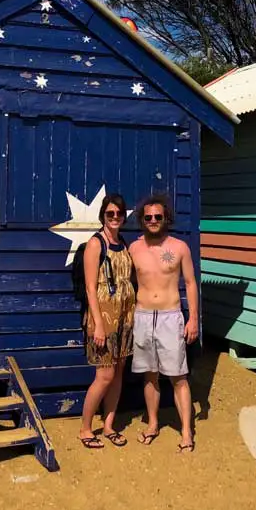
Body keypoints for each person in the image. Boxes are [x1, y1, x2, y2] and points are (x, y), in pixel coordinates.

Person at [128, 193, 199, 452]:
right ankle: (152, 423)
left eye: (158, 216)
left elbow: (191, 283)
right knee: (150, 375)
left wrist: (193, 319)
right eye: (148, 217)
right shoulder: (134, 248)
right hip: (143, 316)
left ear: (166, 217)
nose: (153, 220)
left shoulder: (179, 247)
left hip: (171, 317)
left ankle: (186, 431)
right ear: (142, 220)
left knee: (178, 376)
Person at [78, 193, 136, 449]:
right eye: (110, 213)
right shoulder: (95, 244)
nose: (115, 218)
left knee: (119, 372)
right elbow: (91, 287)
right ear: (103, 215)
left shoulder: (122, 242)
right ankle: (86, 428)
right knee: (104, 374)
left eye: (119, 214)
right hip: (103, 317)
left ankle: (109, 424)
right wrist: (98, 324)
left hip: (124, 315)